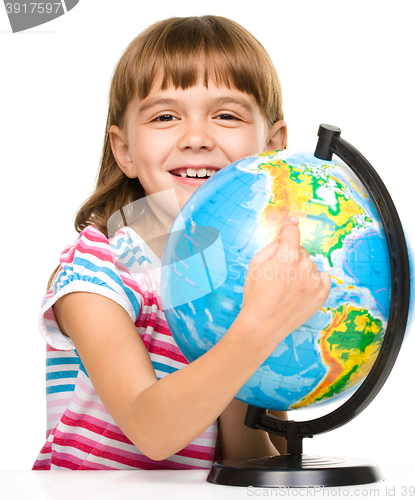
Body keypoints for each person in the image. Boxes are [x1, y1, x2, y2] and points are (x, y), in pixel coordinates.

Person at [33, 15, 331, 470]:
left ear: (272, 146)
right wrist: (254, 327)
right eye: (165, 116)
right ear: (125, 150)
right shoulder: (98, 267)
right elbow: (151, 431)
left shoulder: (247, 272)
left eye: (226, 115)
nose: (195, 138)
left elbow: (245, 458)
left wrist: (246, 316)